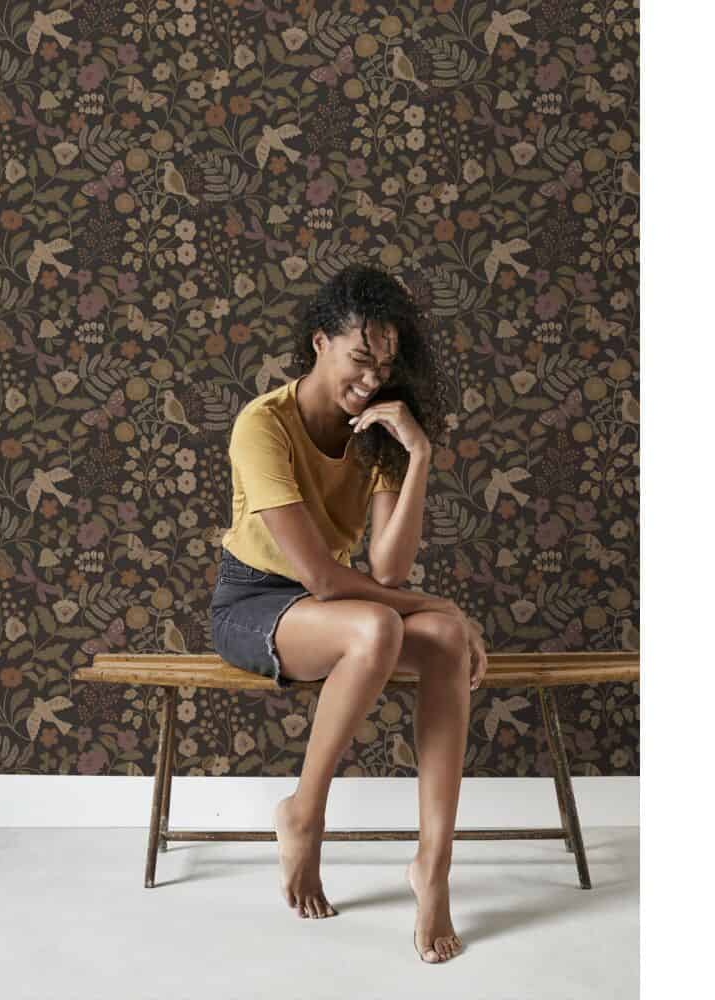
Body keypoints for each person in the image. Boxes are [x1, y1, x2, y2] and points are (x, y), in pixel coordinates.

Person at [211, 263, 489, 964]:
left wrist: (417, 453)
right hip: (254, 602)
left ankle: (434, 866)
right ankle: (304, 813)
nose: (372, 378)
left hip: (334, 604)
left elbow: (388, 570)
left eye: (385, 365)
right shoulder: (262, 424)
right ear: (320, 343)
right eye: (360, 358)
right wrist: (437, 600)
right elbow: (320, 576)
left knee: (444, 637)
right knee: (383, 623)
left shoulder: (379, 431)